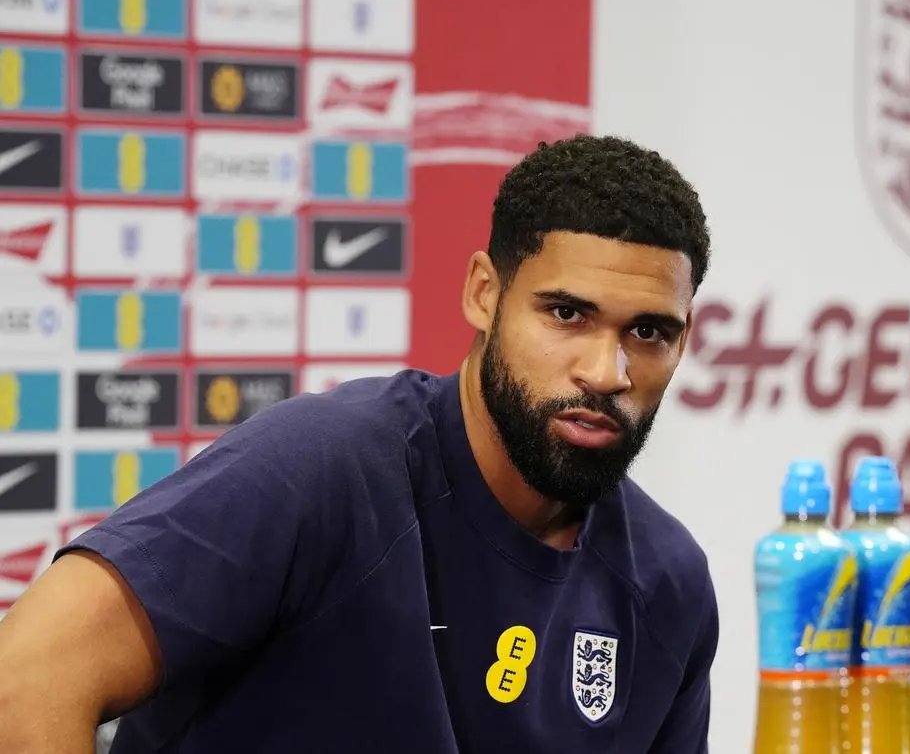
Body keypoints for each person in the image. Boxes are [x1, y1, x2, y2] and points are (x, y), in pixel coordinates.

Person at [0, 134, 719, 753]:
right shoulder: (320, 468)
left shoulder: (666, 582)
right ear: (483, 294)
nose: (606, 371)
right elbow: (27, 680)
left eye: (648, 332)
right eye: (566, 313)